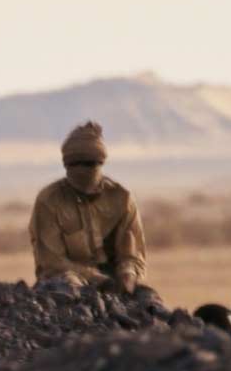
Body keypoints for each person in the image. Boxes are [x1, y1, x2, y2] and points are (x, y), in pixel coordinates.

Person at [29, 121, 147, 294]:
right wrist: (98, 280)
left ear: (101, 163)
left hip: (114, 280)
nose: (83, 169)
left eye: (90, 164)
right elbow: (52, 263)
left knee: (150, 300)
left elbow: (132, 255)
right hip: (64, 281)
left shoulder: (122, 198)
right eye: (76, 164)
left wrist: (128, 274)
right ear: (66, 165)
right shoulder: (49, 201)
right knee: (69, 289)